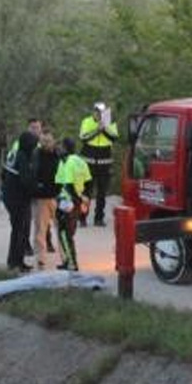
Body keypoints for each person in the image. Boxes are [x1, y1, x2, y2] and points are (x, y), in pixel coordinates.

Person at [0, 129, 38, 273]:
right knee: (19, 230)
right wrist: (36, 189)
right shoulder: (22, 156)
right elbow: (26, 180)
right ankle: (15, 262)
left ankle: (16, 261)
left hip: (10, 196)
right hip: (17, 199)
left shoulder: (14, 153)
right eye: (33, 145)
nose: (34, 148)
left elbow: (3, 173)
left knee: (18, 230)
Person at [54, 137, 91, 271]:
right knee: (69, 233)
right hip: (76, 201)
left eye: (60, 146)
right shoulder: (81, 161)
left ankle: (72, 263)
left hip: (68, 202)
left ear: (65, 148)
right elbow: (88, 182)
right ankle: (68, 261)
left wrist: (76, 199)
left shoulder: (68, 162)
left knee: (65, 234)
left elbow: (68, 185)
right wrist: (84, 198)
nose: (58, 149)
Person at [79, 102, 119, 226]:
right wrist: (97, 130)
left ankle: (99, 218)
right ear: (93, 111)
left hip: (104, 163)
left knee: (102, 193)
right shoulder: (86, 121)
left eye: (101, 112)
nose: (98, 114)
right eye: (96, 111)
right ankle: (82, 218)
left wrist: (104, 128)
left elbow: (114, 138)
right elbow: (84, 138)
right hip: (88, 163)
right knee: (86, 192)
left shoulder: (110, 123)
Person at [31, 133, 63, 270]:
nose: (47, 143)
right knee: (40, 230)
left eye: (49, 141)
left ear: (53, 142)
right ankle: (41, 260)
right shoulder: (36, 155)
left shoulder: (58, 155)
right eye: (44, 141)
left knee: (61, 229)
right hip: (41, 198)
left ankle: (66, 258)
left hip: (56, 197)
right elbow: (32, 174)